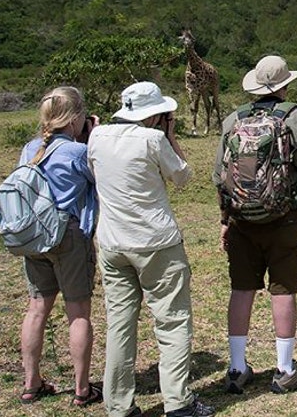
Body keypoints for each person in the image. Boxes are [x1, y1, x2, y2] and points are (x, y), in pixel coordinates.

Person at [87, 81, 213, 417]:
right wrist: (171, 137)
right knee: (172, 322)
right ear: (155, 115)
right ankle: (178, 402)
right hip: (156, 243)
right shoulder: (154, 139)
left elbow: (93, 172)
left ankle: (118, 406)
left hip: (112, 243)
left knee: (120, 325)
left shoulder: (96, 137)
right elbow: (183, 177)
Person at [213, 55, 297, 395]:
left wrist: (225, 220)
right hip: (285, 219)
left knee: (242, 288)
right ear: (285, 85)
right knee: (283, 289)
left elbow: (220, 175)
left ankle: (235, 368)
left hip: (241, 220)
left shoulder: (233, 119)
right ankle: (285, 368)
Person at [16, 86, 102, 406]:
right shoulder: (78, 153)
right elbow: (97, 181)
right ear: (75, 117)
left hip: (34, 235)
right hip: (68, 234)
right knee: (78, 313)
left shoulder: (29, 148)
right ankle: (82, 389)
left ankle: (30, 382)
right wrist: (91, 139)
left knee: (37, 309)